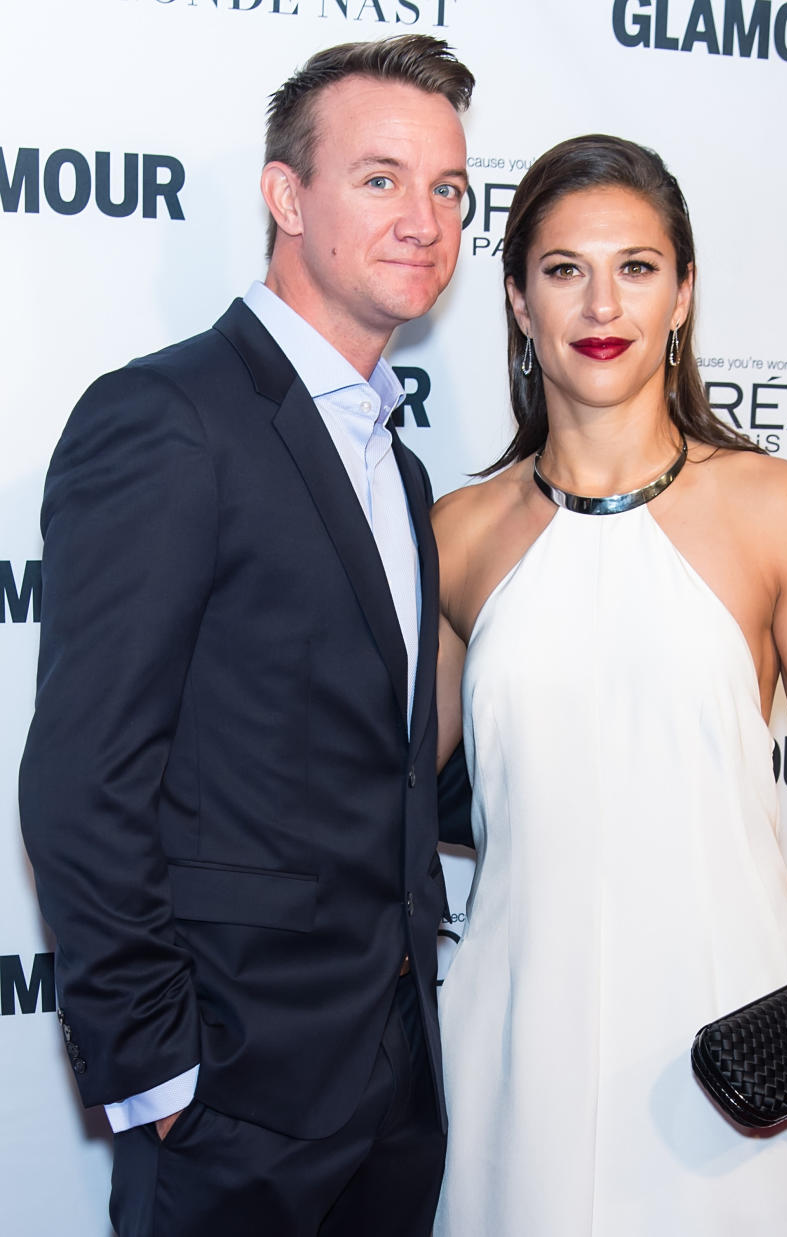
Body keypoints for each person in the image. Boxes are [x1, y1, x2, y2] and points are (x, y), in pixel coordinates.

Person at [431, 135, 787, 1234]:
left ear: (684, 293)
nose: (600, 301)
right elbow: (366, 795)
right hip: (516, 1045)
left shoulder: (774, 505)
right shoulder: (458, 535)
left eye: (637, 265)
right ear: (519, 300)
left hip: (734, 1057)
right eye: (564, 268)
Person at [19, 35, 473, 1237]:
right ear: (286, 196)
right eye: (379, 178)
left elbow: (376, 760)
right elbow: (82, 773)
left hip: (391, 1090)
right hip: (232, 1098)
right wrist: (161, 1076)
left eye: (448, 188)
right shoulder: (170, 418)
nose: (423, 218)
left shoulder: (402, 464)